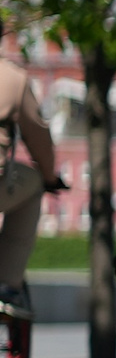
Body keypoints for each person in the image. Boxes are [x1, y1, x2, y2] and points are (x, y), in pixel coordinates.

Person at [0, 58, 69, 316]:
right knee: (33, 183)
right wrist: (49, 176)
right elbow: (37, 135)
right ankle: (6, 284)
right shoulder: (12, 77)